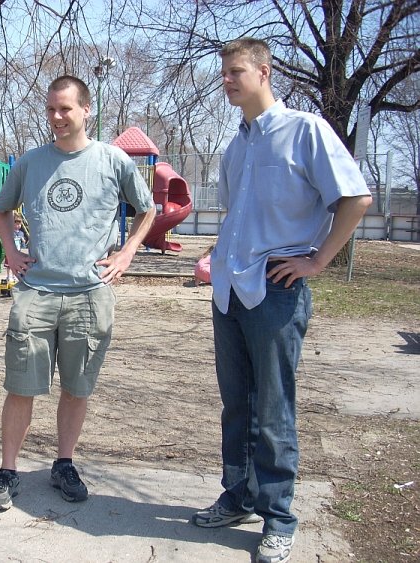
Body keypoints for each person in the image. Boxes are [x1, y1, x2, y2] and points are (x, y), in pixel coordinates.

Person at [192, 38, 372, 563]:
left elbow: (355, 198)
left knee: (273, 411)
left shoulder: (305, 130)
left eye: (235, 71)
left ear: (265, 72)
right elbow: (237, 217)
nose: (226, 80)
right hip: (230, 291)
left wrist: (317, 261)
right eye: (223, 72)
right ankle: (239, 496)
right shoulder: (236, 146)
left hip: (277, 289)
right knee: (237, 405)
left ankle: (278, 517)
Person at [0, 75, 156, 511]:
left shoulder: (113, 160)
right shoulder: (30, 162)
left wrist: (126, 254)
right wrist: (11, 250)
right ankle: (7, 470)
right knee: (20, 386)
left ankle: (64, 463)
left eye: (65, 109)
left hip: (89, 296)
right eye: (51, 109)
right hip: (36, 293)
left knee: (76, 388)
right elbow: (1, 211)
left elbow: (147, 208)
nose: (57, 118)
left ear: (86, 110)